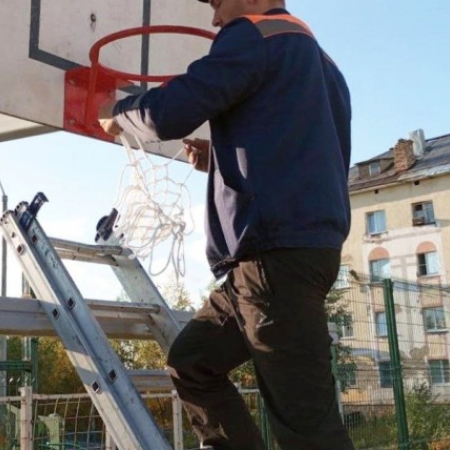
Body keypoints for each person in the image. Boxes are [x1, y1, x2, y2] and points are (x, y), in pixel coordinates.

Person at [99, 0, 353, 449]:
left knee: (307, 428)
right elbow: (298, 150)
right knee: (192, 363)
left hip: (272, 257)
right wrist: (218, 158)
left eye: (217, 2)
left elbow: (168, 113)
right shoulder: (322, 63)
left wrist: (119, 114)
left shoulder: (256, 34)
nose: (215, 18)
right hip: (295, 252)